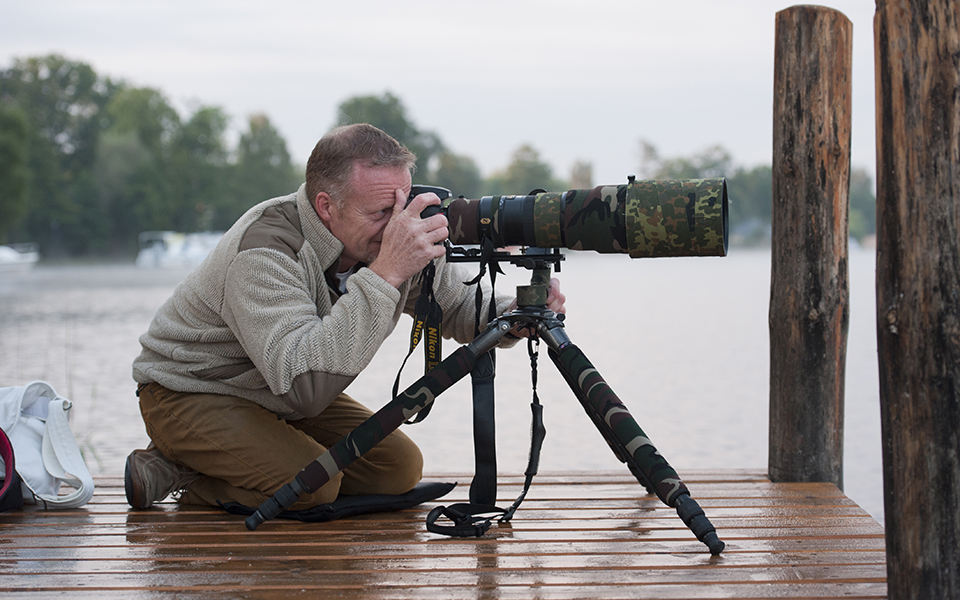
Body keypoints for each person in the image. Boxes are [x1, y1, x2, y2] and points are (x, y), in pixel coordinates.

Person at [125, 123, 565, 511]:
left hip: (270, 388)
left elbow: (454, 306)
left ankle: (225, 457)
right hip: (192, 389)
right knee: (312, 487)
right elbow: (304, 386)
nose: (397, 224)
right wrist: (387, 271)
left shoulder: (380, 239)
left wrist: (514, 312)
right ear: (325, 207)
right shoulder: (264, 250)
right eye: (379, 213)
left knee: (397, 469)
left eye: (402, 203)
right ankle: (181, 469)